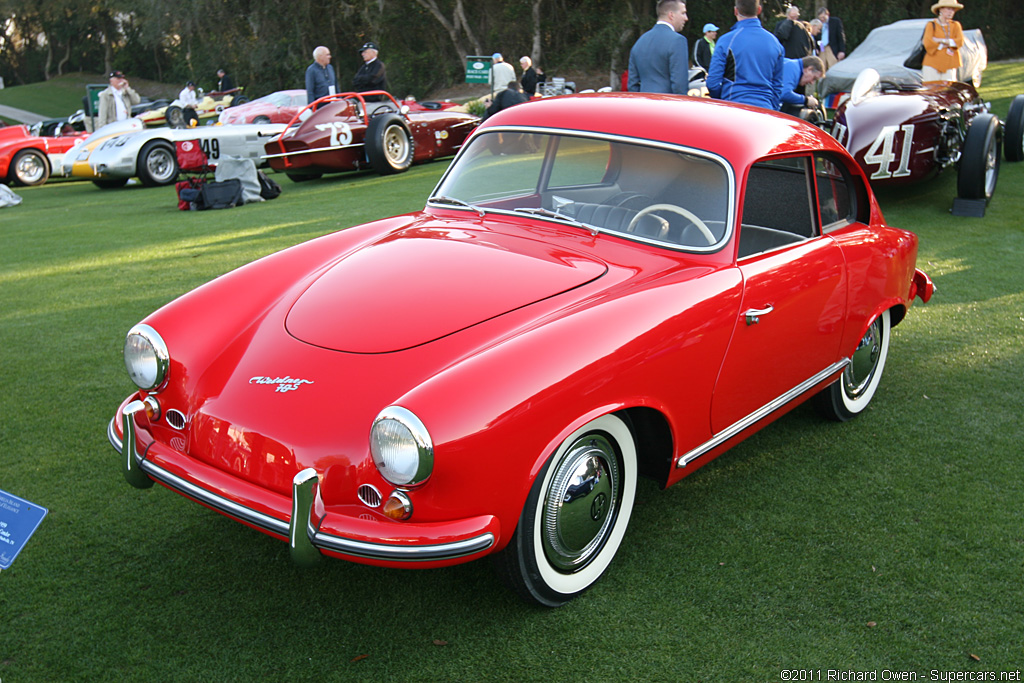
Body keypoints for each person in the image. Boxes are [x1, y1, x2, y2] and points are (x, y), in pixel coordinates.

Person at [707, 0, 785, 110]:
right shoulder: (776, 43)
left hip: (734, 107)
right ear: (759, 10)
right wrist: (773, 110)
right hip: (765, 109)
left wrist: (723, 101)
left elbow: (712, 83)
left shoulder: (727, 41)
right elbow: (777, 86)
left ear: (735, 11)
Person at [627, 0, 689, 94]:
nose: (686, 18)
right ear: (671, 15)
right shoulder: (677, 41)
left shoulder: (639, 42)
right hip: (667, 105)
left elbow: (632, 85)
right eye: (683, 13)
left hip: (642, 105)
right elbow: (679, 85)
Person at [922, 0, 964, 82]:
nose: (951, 12)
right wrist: (947, 44)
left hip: (950, 63)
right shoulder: (931, 25)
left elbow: (959, 41)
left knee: (948, 91)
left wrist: (941, 41)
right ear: (941, 9)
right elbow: (928, 43)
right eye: (948, 9)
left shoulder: (955, 25)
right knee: (931, 90)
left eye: (953, 10)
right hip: (932, 64)